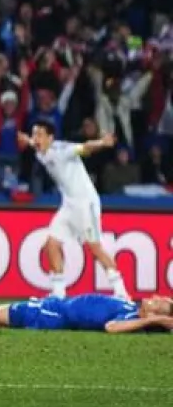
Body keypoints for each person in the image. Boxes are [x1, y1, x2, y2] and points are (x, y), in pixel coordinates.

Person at [18, 120, 128, 299]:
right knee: (51, 245)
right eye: (34, 134)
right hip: (69, 205)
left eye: (39, 135)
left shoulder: (62, 150)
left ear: (50, 138)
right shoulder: (41, 152)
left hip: (86, 203)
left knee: (95, 248)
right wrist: (27, 140)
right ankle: (59, 294)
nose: (35, 138)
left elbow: (85, 148)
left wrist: (102, 142)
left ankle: (122, 292)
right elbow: (33, 144)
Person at [0, 290, 173, 333]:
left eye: (161, 302)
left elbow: (111, 328)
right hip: (54, 305)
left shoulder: (133, 318)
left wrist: (159, 319)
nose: (157, 297)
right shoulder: (130, 306)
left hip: (52, 316)